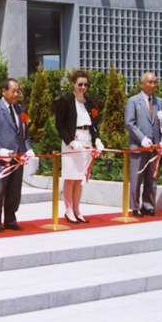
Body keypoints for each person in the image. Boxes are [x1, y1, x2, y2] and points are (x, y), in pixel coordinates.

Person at [0, 78, 34, 232]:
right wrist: (0, 150)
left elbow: (24, 134)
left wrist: (28, 149)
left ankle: (11, 220)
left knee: (14, 191)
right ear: (4, 91)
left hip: (17, 158)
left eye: (18, 91)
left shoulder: (20, 110)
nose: (16, 94)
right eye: (13, 91)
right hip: (1, 159)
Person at [55, 71, 104, 224]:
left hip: (86, 138)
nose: (83, 87)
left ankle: (77, 209)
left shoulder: (89, 101)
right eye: (80, 84)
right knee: (70, 177)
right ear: (73, 84)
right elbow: (60, 125)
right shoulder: (66, 100)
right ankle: (68, 210)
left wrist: (97, 140)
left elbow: (94, 124)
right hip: (73, 140)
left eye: (85, 84)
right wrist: (70, 141)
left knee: (80, 178)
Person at [125, 71, 162, 217]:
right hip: (139, 145)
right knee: (136, 177)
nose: (153, 85)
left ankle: (148, 206)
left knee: (152, 177)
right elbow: (129, 123)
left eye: (155, 82)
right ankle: (135, 207)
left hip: (155, 146)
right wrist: (142, 138)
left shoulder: (159, 101)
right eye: (149, 82)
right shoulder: (133, 101)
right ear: (142, 83)